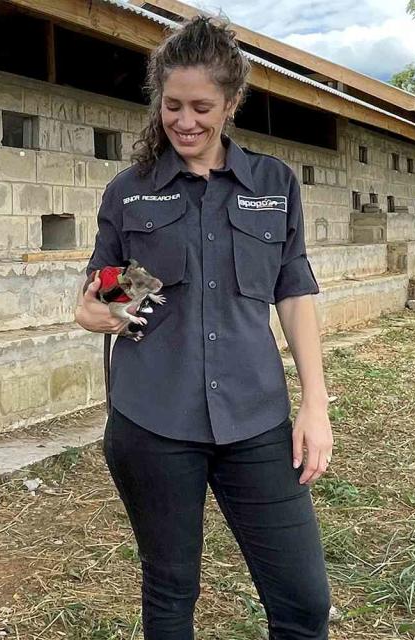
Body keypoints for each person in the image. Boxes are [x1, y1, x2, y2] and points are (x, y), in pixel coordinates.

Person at [74, 15, 333, 640]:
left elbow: (292, 293)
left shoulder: (272, 185)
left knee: (303, 602)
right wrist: (93, 313)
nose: (184, 121)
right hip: (153, 420)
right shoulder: (131, 193)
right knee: (170, 593)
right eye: (172, 106)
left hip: (257, 419)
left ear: (232, 103)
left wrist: (315, 405)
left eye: (201, 106)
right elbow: (102, 293)